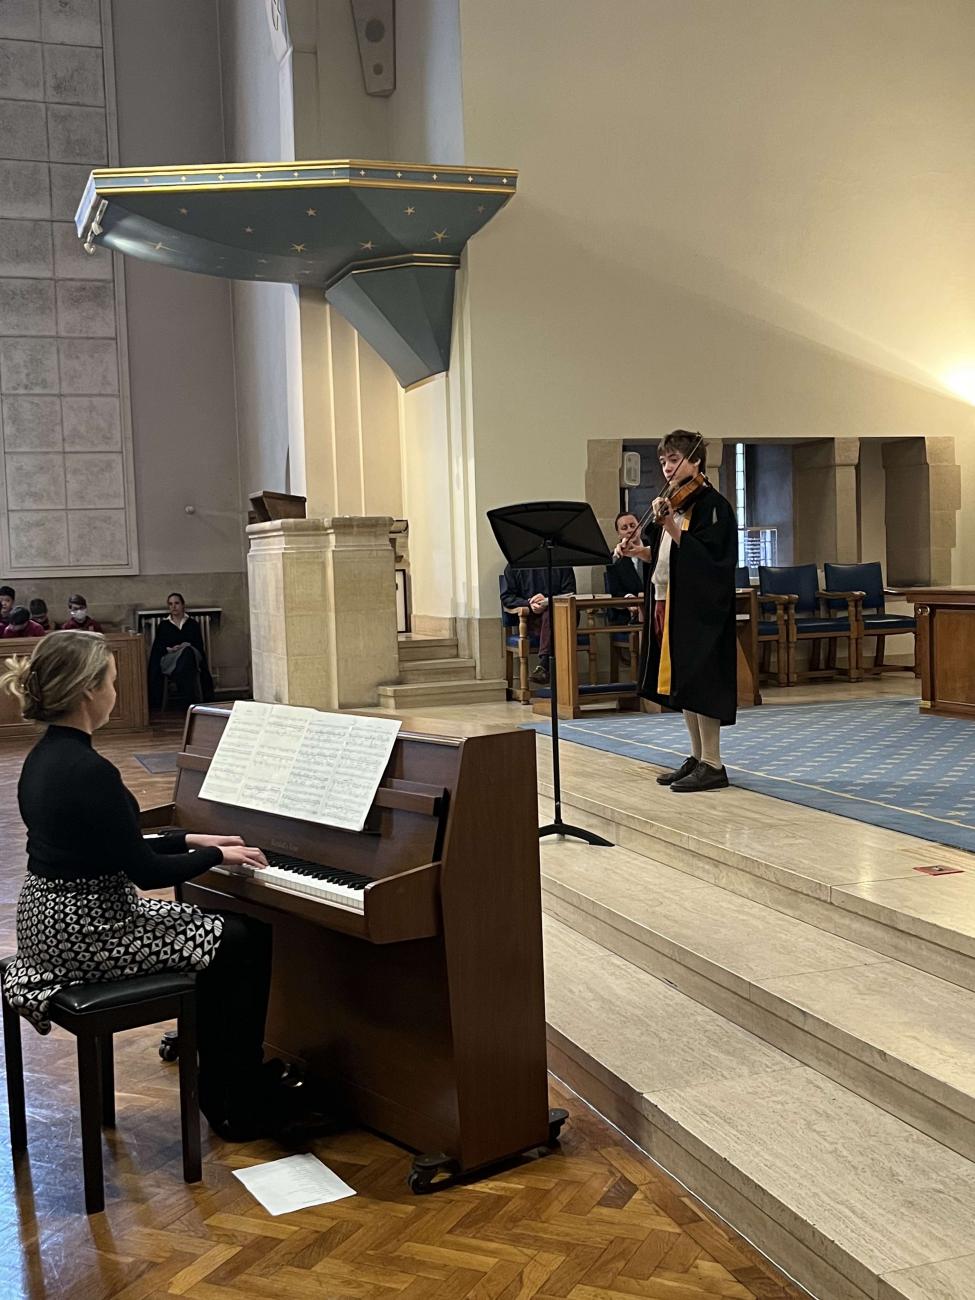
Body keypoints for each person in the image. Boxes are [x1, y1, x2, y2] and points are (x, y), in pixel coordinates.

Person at [0, 631, 301, 1140]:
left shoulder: (46, 757)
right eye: (112, 682)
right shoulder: (88, 770)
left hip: (49, 922)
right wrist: (215, 855)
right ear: (87, 692)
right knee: (241, 938)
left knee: (223, 936)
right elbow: (144, 872)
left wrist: (188, 836)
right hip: (91, 933)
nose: (117, 692)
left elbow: (110, 846)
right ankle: (239, 1097)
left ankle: (223, 1085)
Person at [621, 430, 737, 792]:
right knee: (683, 681)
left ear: (696, 461)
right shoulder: (675, 502)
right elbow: (666, 555)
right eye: (664, 461)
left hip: (700, 609)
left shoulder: (712, 505)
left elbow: (713, 559)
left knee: (702, 680)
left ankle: (714, 763)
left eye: (674, 460)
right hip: (668, 600)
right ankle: (697, 756)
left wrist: (669, 524)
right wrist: (640, 552)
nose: (667, 468)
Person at [500, 563, 576, 685]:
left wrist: (547, 600)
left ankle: (544, 666)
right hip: (532, 618)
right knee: (550, 615)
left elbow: (570, 593)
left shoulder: (561, 563)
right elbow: (507, 597)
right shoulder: (514, 565)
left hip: (562, 617)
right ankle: (547, 668)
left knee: (551, 611)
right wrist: (528, 602)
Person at [148, 593, 214, 709]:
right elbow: (158, 648)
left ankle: (180, 683)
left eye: (177, 603)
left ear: (183, 605)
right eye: (170, 604)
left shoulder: (192, 624)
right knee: (185, 657)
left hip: (190, 657)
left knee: (187, 652)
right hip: (171, 658)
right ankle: (187, 695)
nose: (173, 606)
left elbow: (199, 646)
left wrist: (186, 646)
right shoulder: (164, 625)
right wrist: (170, 649)